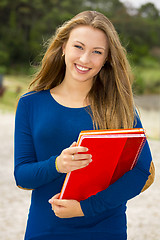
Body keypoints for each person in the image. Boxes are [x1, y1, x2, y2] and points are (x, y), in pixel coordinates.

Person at [14, 10, 155, 240]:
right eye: (78, 47)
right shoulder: (30, 104)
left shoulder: (120, 106)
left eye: (97, 52)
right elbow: (22, 176)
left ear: (107, 58)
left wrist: (85, 208)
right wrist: (58, 164)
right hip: (46, 230)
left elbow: (141, 172)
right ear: (63, 48)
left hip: (106, 230)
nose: (85, 59)